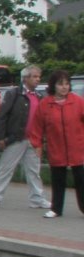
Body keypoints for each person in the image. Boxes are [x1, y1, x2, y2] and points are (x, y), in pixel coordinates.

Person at [0, 64, 50, 210]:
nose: (38, 79)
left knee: (34, 172)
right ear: (25, 78)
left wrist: (42, 139)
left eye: (39, 77)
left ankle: (37, 199)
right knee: (5, 169)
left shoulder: (39, 96)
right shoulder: (14, 94)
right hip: (15, 138)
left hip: (33, 140)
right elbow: (2, 116)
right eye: (34, 76)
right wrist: (0, 138)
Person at [30, 69, 84, 218]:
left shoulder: (78, 101)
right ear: (53, 85)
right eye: (60, 84)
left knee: (81, 179)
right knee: (58, 179)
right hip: (56, 147)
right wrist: (37, 144)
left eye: (67, 84)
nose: (64, 87)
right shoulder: (45, 104)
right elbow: (37, 126)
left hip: (77, 146)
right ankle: (56, 209)